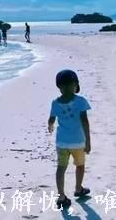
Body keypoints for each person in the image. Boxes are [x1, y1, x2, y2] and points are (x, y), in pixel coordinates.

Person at [48, 69, 91, 209]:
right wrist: (88, 141)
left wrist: (50, 127)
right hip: (78, 142)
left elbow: (51, 120)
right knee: (80, 165)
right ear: (76, 84)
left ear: (58, 86)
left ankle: (61, 196)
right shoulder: (80, 101)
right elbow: (85, 122)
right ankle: (78, 188)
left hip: (62, 143)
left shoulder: (55, 103)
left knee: (61, 168)